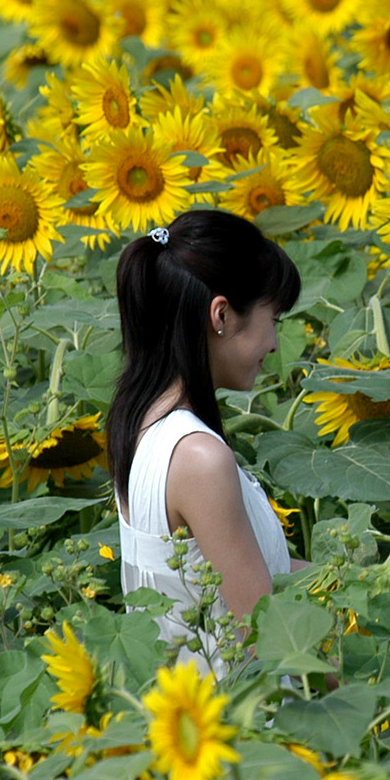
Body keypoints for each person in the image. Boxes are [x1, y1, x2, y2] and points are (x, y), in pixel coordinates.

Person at [108, 209, 304, 673]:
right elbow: (265, 639)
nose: (275, 343)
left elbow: (249, 576)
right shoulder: (198, 457)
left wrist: (368, 579)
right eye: (273, 318)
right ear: (220, 314)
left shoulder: (139, 419)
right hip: (238, 727)